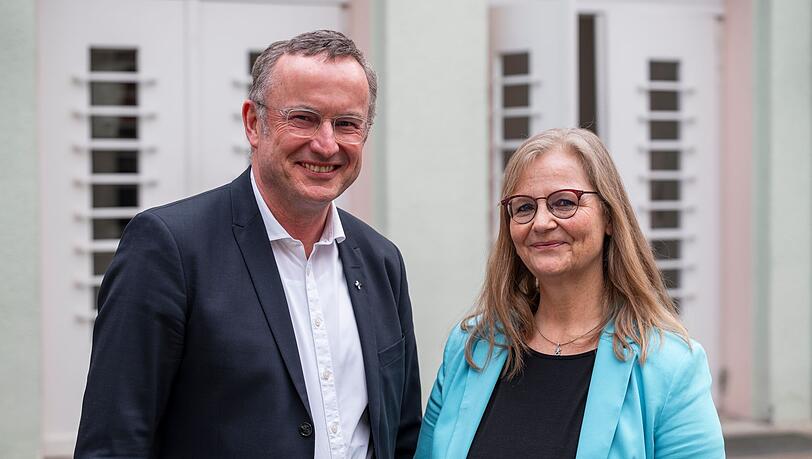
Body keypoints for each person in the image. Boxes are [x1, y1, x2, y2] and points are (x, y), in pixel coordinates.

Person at [75, 30, 421, 459]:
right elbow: (113, 442)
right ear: (254, 124)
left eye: (346, 124)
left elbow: (403, 435)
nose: (327, 144)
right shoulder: (169, 249)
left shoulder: (382, 261)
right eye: (304, 118)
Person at [415, 128, 724, 458]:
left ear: (608, 215)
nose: (542, 222)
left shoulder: (669, 366)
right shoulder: (471, 348)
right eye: (523, 208)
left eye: (564, 202)